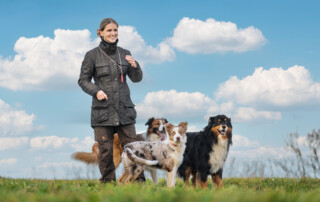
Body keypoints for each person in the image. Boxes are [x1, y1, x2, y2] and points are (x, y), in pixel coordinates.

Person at [78, 18, 144, 183]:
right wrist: (96, 90)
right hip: (102, 111)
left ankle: (139, 183)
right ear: (100, 32)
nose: (113, 33)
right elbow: (83, 80)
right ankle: (107, 184)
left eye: (115, 30)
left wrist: (135, 66)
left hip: (125, 110)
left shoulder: (125, 53)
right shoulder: (92, 55)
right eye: (109, 30)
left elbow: (136, 79)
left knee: (133, 149)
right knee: (106, 151)